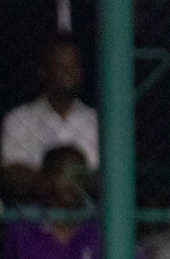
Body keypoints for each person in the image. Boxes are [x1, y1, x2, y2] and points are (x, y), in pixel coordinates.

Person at [2, 34, 98, 201]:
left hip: (85, 217)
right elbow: (11, 173)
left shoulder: (96, 121)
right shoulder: (19, 118)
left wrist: (50, 178)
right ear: (43, 71)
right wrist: (64, 180)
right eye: (60, 65)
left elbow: (103, 177)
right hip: (31, 216)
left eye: (73, 65)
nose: (68, 72)